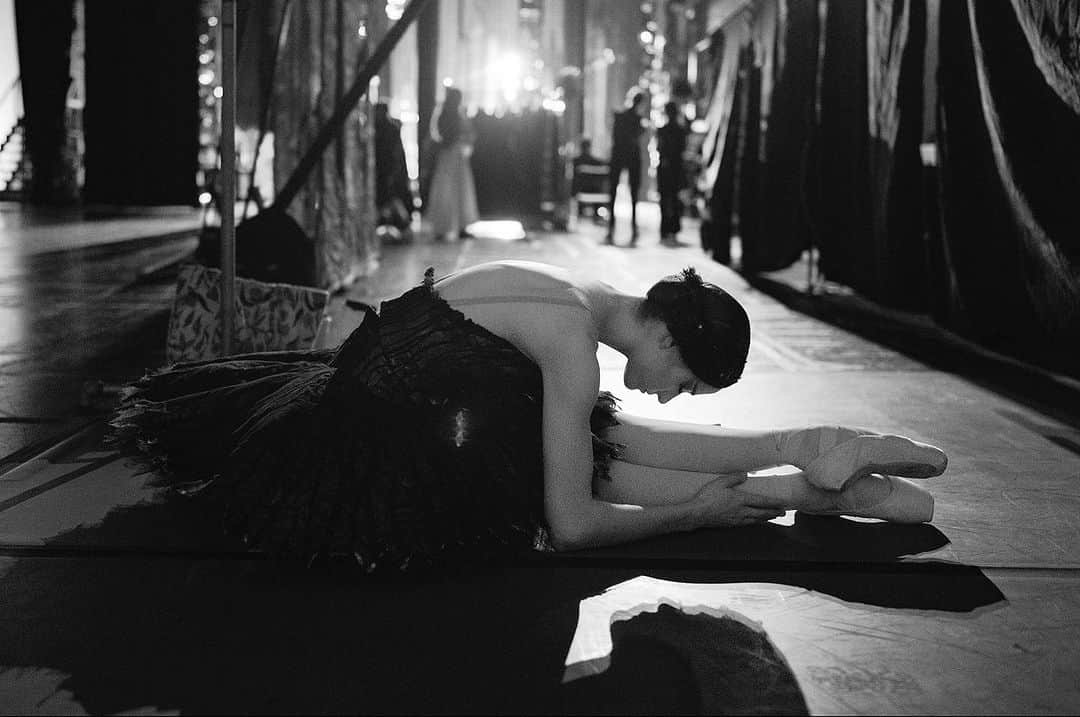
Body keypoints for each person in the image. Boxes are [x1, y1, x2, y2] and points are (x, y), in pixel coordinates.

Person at [109, 260, 948, 571]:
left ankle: (814, 457)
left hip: (438, 411)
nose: (671, 389)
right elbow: (573, 526)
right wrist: (696, 515)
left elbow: (572, 491)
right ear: (660, 329)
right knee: (613, 457)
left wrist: (697, 510)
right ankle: (811, 480)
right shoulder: (573, 347)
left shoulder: (573, 291)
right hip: (380, 442)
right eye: (686, 376)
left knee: (609, 443)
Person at [425, 86, 478, 241]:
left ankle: (462, 224)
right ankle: (442, 226)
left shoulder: (459, 114)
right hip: (449, 155)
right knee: (446, 190)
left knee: (460, 190)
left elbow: (469, 133)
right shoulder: (445, 115)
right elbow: (442, 134)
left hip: (458, 156)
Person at [605, 88, 650, 245]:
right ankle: (631, 225)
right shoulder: (636, 121)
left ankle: (612, 226)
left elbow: (615, 137)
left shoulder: (621, 117)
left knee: (614, 192)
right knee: (633, 194)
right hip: (629, 156)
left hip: (619, 155)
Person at [374, 102, 414, 241]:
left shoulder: (388, 130)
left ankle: (398, 225)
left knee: (391, 199)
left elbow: (395, 153)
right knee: (388, 200)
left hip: (388, 171)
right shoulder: (381, 129)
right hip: (384, 171)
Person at [657, 100, 688, 244]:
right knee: (674, 199)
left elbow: (660, 149)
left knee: (665, 199)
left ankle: (665, 229)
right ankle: (673, 228)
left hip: (666, 168)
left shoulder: (663, 130)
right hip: (675, 168)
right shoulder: (680, 131)